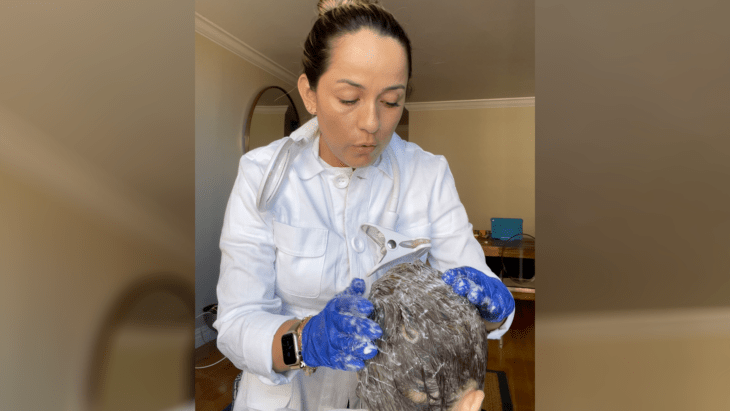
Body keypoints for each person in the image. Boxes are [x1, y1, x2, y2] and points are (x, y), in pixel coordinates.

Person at [214, 1, 515, 410]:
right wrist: (305, 341)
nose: (372, 123)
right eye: (349, 98)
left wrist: (493, 308)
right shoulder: (261, 175)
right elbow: (236, 322)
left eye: (391, 102)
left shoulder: (427, 174)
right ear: (310, 94)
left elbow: (472, 292)